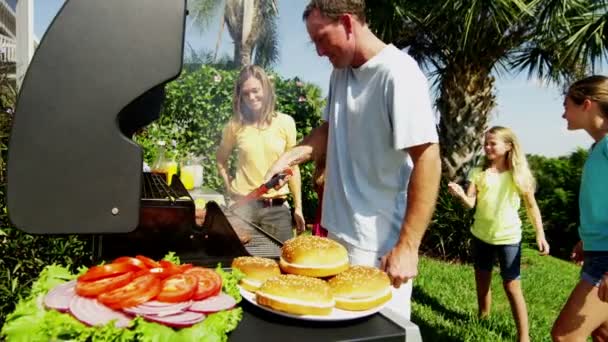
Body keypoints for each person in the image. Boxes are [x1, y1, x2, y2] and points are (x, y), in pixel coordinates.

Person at [265, 0, 441, 321]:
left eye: (321, 38)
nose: (319, 52)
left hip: (378, 249)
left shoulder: (398, 73)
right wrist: (292, 156)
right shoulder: (341, 73)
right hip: (335, 240)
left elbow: (428, 159)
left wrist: (408, 247)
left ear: (347, 23)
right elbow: (332, 127)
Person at [447, 126, 550, 342]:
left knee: (511, 286)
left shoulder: (518, 176)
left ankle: (524, 337)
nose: (487, 147)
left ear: (508, 146)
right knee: (482, 279)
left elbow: (531, 207)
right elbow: (470, 204)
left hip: (509, 239)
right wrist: (460, 195)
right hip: (481, 235)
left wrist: (540, 234)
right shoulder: (478, 173)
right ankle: (482, 318)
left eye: (492, 143)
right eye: (485, 143)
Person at [216, 65, 305, 243]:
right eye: (246, 93)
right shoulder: (234, 126)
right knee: (240, 264)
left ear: (266, 88)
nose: (251, 97)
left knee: (279, 264)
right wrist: (229, 191)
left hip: (276, 210)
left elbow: (292, 167)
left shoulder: (286, 122)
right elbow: (220, 160)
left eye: (255, 90)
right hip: (242, 208)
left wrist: (298, 207)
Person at [551, 75, 608, 342]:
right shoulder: (599, 146)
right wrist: (587, 239)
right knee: (602, 334)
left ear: (586, 104)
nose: (563, 114)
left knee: (565, 336)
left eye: (566, 105)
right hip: (598, 251)